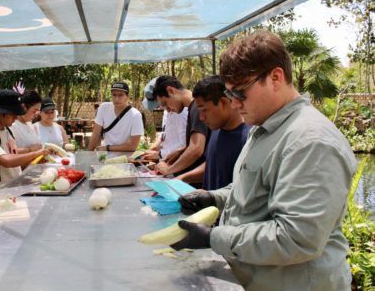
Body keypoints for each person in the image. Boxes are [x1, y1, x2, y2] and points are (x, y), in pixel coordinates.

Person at [173, 31, 357, 291]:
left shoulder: (311, 142)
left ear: (275, 77)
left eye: (240, 93)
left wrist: (214, 237)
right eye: (229, 94)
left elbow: (296, 238)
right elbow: (254, 189)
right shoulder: (264, 128)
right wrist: (214, 197)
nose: (234, 104)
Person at [177, 76, 251, 190]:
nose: (201, 117)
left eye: (204, 110)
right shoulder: (216, 130)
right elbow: (212, 166)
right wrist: (181, 178)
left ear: (223, 102)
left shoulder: (249, 139)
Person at [0, 90, 48, 187]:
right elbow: (6, 161)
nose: (16, 117)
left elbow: (15, 164)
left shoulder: (7, 131)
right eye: (13, 113)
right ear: (0, 113)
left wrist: (35, 160)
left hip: (15, 187)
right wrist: (35, 153)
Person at [149, 76, 210, 183]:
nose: (167, 110)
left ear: (171, 90)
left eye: (165, 103)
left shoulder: (196, 108)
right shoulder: (192, 108)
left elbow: (196, 149)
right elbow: (203, 142)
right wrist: (180, 151)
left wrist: (169, 169)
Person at [88, 82, 144, 152]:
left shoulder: (135, 115)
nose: (116, 99)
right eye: (114, 95)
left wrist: (108, 148)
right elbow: (95, 135)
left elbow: (133, 146)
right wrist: (88, 155)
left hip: (125, 157)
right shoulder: (104, 108)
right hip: (106, 156)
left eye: (120, 95)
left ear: (128, 97)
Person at [142, 77, 188, 160]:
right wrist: (154, 147)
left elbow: (185, 144)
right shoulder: (169, 108)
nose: (161, 107)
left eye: (163, 104)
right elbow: (165, 134)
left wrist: (160, 154)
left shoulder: (180, 110)